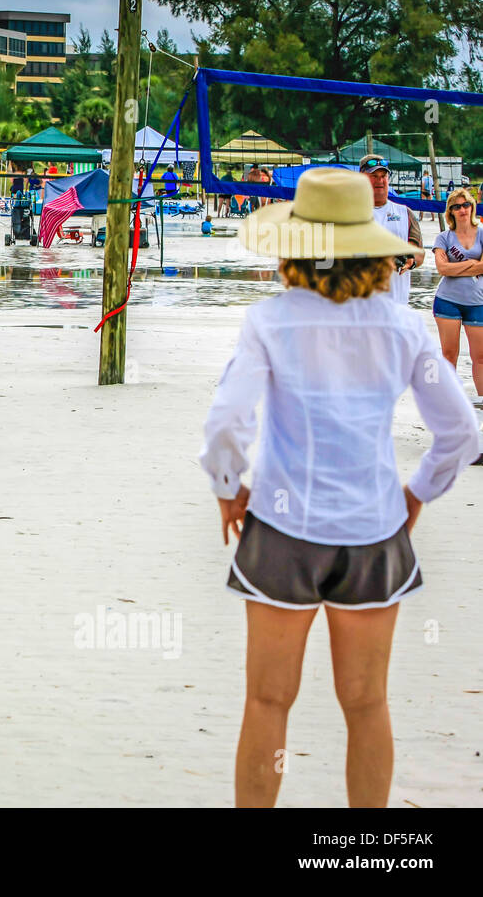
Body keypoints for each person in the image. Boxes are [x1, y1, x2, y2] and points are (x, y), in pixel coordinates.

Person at [199, 167, 476, 807]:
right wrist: (415, 494)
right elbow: (461, 432)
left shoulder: (269, 321)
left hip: (280, 528)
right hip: (375, 531)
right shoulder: (402, 325)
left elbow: (225, 424)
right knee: (367, 702)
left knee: (268, 700)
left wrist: (227, 486)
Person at [431, 187, 483, 402]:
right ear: (450, 211)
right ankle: (448, 401)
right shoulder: (444, 237)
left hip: (477, 301)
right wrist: (472, 264)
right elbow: (441, 269)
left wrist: (458, 267)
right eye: (457, 206)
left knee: (480, 357)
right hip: (447, 301)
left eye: (466, 205)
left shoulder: (481, 233)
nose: (462, 209)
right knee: (449, 354)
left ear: (472, 207)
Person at [361, 154, 423, 305]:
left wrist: (410, 260)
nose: (380, 180)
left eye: (383, 176)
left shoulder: (405, 213)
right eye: (374, 176)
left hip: (396, 305)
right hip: (359, 306)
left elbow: (419, 253)